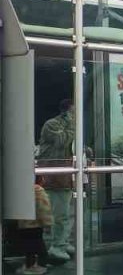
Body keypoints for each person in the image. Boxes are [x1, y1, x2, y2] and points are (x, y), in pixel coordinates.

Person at [36, 98, 75, 263]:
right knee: (58, 215)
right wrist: (73, 126)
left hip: (66, 176)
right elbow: (61, 142)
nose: (76, 115)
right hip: (54, 177)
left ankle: (62, 242)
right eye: (74, 112)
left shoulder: (69, 126)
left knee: (67, 213)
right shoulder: (52, 124)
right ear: (66, 111)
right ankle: (56, 246)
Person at [15, 176, 54, 275]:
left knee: (32, 246)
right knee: (35, 245)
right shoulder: (38, 191)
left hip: (27, 224)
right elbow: (44, 209)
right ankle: (36, 264)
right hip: (33, 224)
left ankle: (35, 264)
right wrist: (47, 223)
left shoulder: (26, 191)